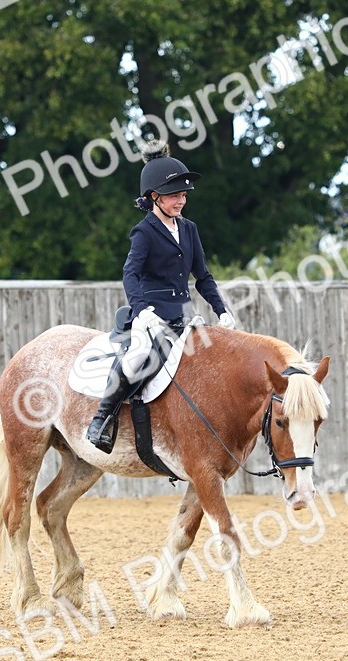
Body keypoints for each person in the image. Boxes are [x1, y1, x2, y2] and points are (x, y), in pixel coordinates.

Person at [85, 141, 237, 453]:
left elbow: (203, 276)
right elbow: (131, 274)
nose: (181, 200)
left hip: (184, 315)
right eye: (174, 195)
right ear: (154, 197)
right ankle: (102, 418)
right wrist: (141, 311)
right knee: (138, 356)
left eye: (183, 194)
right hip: (151, 315)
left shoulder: (190, 229)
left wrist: (222, 311)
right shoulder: (144, 231)